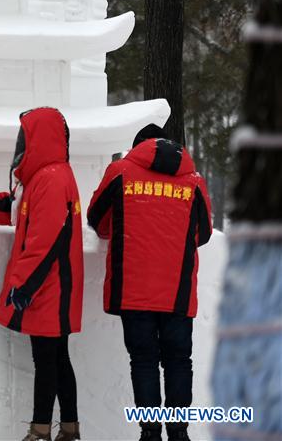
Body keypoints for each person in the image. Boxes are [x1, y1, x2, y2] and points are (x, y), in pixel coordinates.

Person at [0, 107, 84, 441]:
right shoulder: (47, 176)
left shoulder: (51, 178)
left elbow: (44, 241)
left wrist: (24, 286)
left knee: (47, 361)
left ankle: (40, 432)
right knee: (58, 358)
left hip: (50, 285)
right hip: (52, 283)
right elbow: (16, 208)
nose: (20, 144)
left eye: (25, 137)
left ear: (38, 139)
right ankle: (69, 429)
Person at [86, 124, 212, 441]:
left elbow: (97, 218)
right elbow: (204, 232)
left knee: (143, 361)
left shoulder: (120, 172)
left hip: (134, 288)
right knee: (179, 361)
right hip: (178, 292)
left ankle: (150, 433)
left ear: (138, 147)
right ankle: (180, 433)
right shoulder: (194, 181)